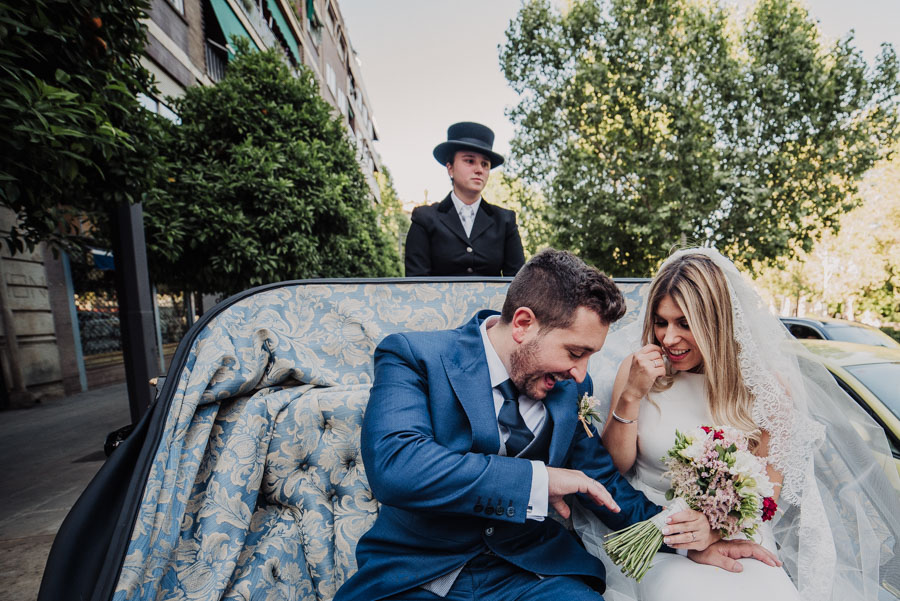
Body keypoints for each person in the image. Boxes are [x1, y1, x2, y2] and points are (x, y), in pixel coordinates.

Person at [335, 248, 780, 601]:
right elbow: (397, 466)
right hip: (415, 576)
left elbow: (607, 486)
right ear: (524, 324)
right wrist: (538, 480)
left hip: (533, 577)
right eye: (575, 352)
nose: (583, 375)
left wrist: (689, 540)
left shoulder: (568, 393)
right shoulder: (414, 357)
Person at [574, 248, 900, 601]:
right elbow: (616, 468)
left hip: (738, 534)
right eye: (660, 321)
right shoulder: (638, 370)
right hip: (655, 527)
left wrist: (715, 529)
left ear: (716, 323)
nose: (668, 338)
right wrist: (631, 396)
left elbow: (767, 498)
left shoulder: (764, 389)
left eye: (685, 323)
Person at [404, 122, 525, 277]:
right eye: (469, 161)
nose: (479, 170)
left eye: (485, 164)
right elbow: (415, 284)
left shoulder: (505, 221)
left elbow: (517, 283)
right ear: (450, 168)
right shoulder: (424, 219)